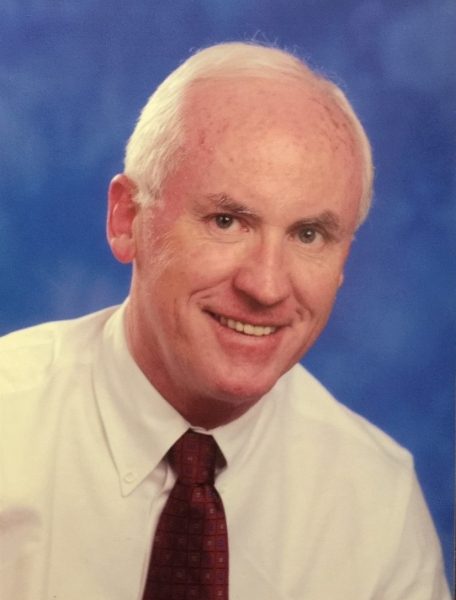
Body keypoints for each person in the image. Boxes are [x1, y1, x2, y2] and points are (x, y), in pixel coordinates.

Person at [0, 42, 450, 600]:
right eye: (227, 221)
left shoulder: (377, 505)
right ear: (126, 220)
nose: (265, 286)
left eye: (308, 235)